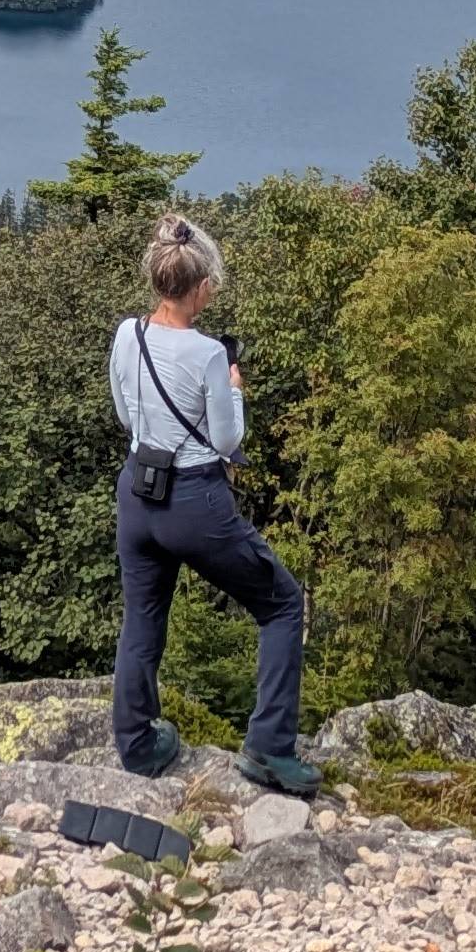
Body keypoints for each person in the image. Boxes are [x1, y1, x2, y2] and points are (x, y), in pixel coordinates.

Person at [106, 212, 319, 794]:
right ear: (200, 288)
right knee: (281, 604)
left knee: (143, 616)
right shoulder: (205, 354)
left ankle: (137, 744)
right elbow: (227, 442)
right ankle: (270, 749)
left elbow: (127, 415)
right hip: (194, 499)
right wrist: (233, 390)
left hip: (137, 490)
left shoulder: (128, 334)